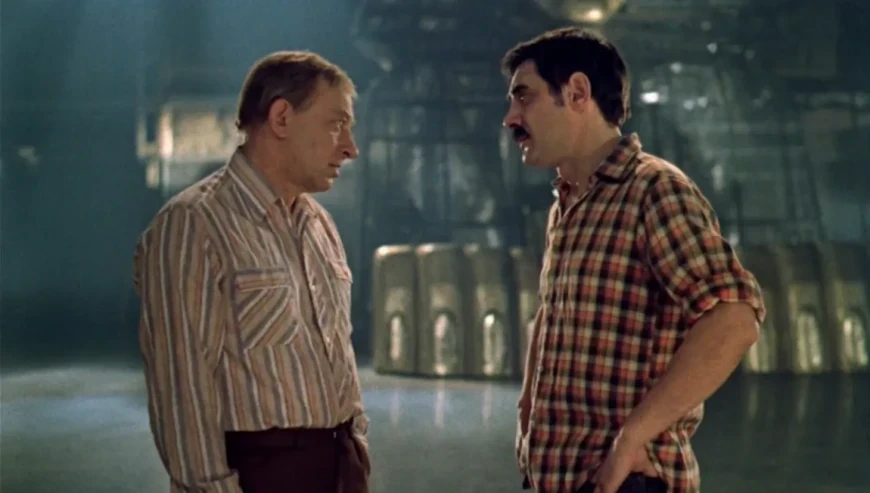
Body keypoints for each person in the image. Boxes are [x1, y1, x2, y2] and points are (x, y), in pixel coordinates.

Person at [502, 28, 765, 493]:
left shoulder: (653, 190)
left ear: (577, 92)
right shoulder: (567, 205)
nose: (510, 119)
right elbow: (553, 313)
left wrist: (632, 439)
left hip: (623, 480)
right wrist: (528, 411)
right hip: (556, 475)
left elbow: (734, 317)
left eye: (525, 97)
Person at [133, 51, 370, 493]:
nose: (350, 147)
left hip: (339, 466)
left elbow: (337, 351)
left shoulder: (319, 224)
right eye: (336, 124)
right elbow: (182, 388)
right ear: (282, 118)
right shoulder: (194, 224)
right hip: (262, 474)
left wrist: (355, 449)